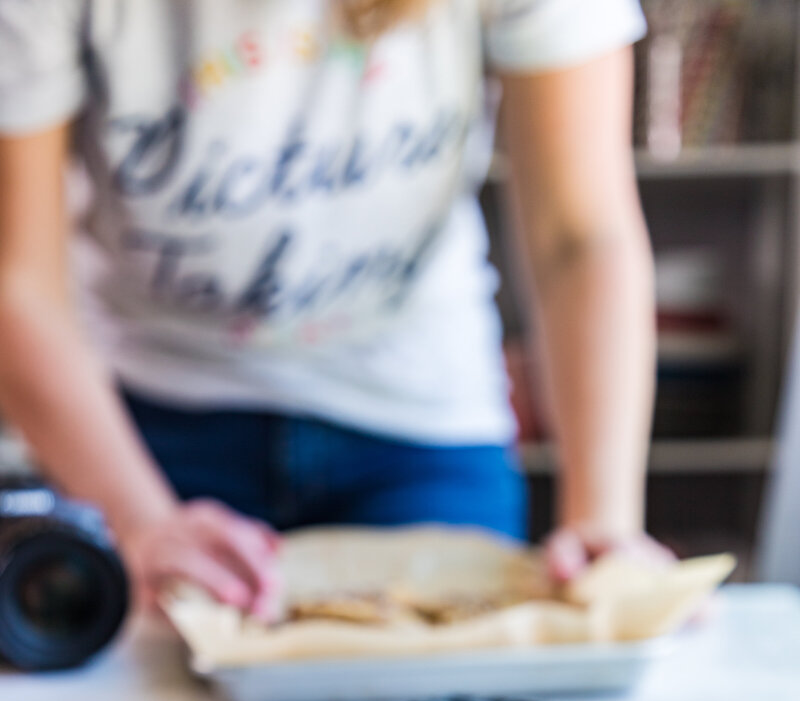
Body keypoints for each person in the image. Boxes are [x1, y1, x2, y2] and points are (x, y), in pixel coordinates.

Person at [0, 0, 664, 619]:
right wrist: (137, 519)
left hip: (419, 417)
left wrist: (604, 519)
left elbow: (582, 239)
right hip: (145, 422)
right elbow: (17, 280)